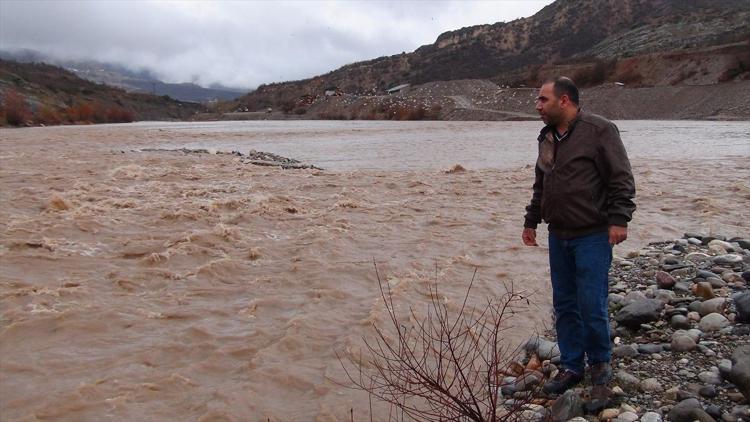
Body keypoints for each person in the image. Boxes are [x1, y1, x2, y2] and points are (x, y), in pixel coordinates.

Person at [522, 76, 636, 395]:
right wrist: (531, 221)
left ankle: (600, 362)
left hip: (593, 234)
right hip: (559, 234)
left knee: (591, 302)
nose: (537, 105)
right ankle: (572, 365)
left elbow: (621, 178)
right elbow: (541, 185)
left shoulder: (600, 130)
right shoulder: (546, 137)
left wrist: (619, 219)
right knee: (565, 303)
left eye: (543, 100)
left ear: (565, 101)